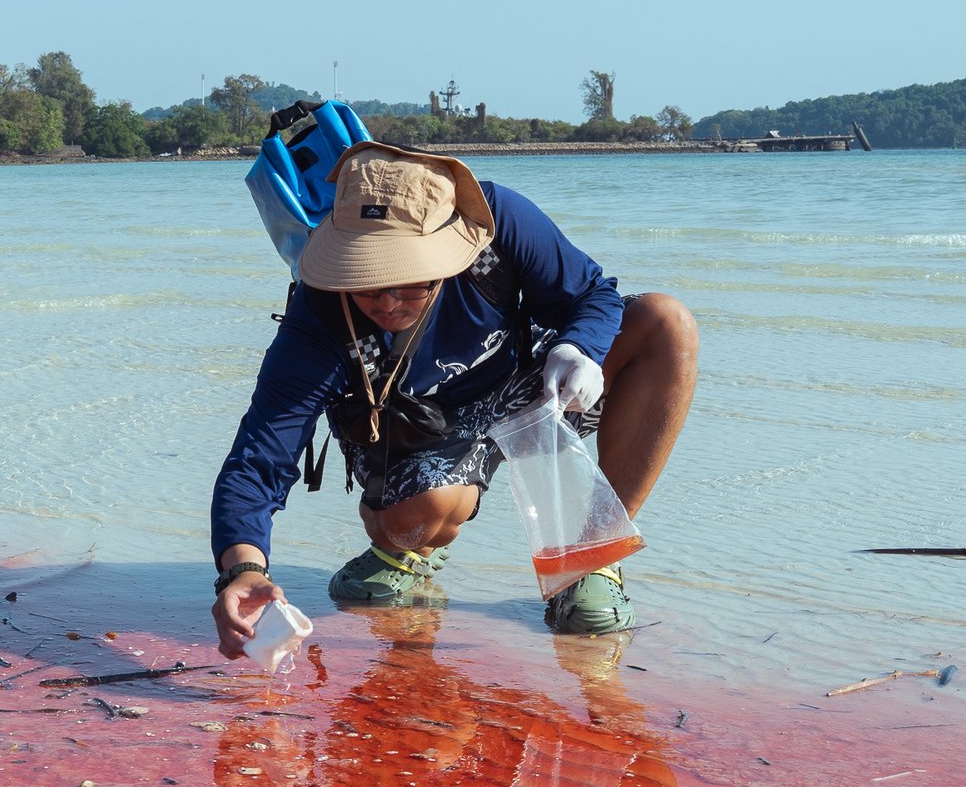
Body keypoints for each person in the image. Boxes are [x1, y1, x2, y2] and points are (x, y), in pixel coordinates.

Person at [209, 142, 696, 654]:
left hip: (529, 385)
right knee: (426, 511)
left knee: (666, 323)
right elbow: (259, 457)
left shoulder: (498, 220)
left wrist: (581, 348)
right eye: (367, 283)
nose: (388, 302)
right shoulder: (320, 316)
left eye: (409, 283)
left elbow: (593, 293)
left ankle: (592, 556)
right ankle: (407, 552)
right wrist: (242, 570)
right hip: (413, 427)